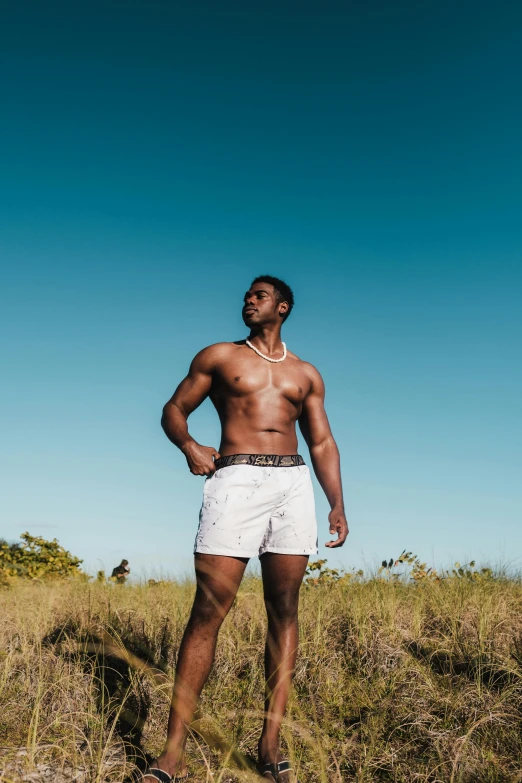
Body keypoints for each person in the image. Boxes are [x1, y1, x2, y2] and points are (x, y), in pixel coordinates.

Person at [145, 276, 348, 783]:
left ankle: (269, 741)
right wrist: (190, 446)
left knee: (284, 612)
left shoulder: (306, 374)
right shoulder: (219, 357)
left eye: (258, 296)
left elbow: (321, 442)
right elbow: (174, 409)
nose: (247, 301)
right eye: (246, 296)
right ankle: (172, 752)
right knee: (209, 610)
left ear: (282, 307)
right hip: (234, 480)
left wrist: (337, 504)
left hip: (293, 484)